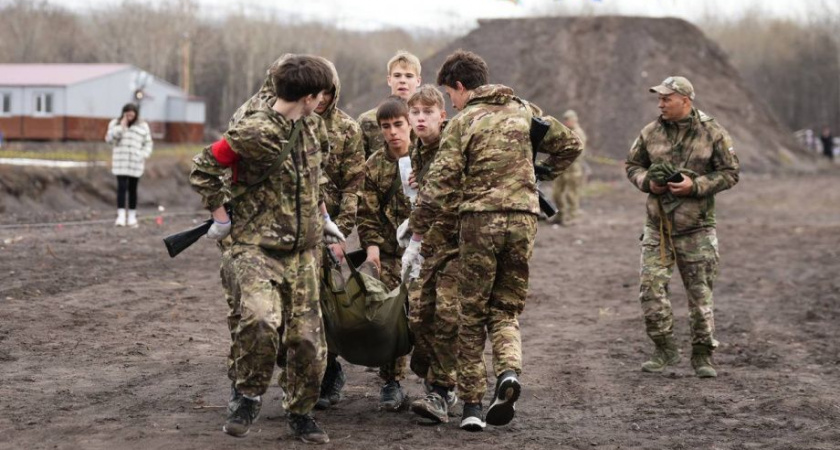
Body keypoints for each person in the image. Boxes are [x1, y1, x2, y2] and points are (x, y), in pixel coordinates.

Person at [408, 50, 582, 431]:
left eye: (450, 96)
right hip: (524, 220)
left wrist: (415, 227)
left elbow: (439, 182)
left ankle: (471, 406)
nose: (452, 103)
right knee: (505, 309)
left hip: (479, 222)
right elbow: (571, 145)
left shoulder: (464, 120)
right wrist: (535, 173)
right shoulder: (524, 109)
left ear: (459, 87)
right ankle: (508, 373)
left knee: (471, 315)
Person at [189, 55, 345, 444]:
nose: (324, 101)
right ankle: (247, 394)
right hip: (256, 247)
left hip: (304, 251)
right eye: (321, 95)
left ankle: (302, 413)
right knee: (259, 321)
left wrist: (323, 216)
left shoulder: (313, 128)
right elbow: (204, 165)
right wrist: (220, 216)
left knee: (309, 341)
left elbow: (315, 178)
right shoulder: (254, 130)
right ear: (308, 96)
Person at [625, 76, 740, 379]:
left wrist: (696, 185)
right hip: (657, 228)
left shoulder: (712, 132)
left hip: (697, 229)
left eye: (666, 98)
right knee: (650, 289)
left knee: (700, 296)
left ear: (685, 101)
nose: (660, 103)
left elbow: (730, 173)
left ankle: (703, 355)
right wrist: (648, 182)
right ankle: (664, 348)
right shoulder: (649, 132)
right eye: (659, 98)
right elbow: (632, 166)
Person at [397, 84, 461, 424]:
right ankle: (434, 379)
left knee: (448, 316)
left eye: (428, 113)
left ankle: (442, 390)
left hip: (457, 245)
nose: (421, 119)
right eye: (416, 113)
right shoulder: (419, 151)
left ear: (442, 115)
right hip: (428, 246)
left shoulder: (455, 142)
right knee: (419, 316)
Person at [312, 59, 365, 410]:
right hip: (293, 229)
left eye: (327, 93)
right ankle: (302, 374)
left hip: (328, 233)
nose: (320, 100)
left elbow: (353, 186)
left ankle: (330, 371)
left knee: (326, 306)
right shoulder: (288, 123)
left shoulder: (346, 128)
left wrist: (340, 234)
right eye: (315, 93)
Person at [356, 96, 413, 411]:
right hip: (391, 254)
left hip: (428, 254)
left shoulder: (430, 157)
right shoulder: (375, 164)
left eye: (398, 125)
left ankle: (439, 385)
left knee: (430, 319)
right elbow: (367, 213)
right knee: (391, 318)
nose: (393, 132)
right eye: (386, 127)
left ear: (409, 124)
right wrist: (372, 250)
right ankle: (392, 383)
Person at [357, 51, 422, 159]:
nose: (402, 80)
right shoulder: (368, 121)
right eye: (397, 75)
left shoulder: (425, 118)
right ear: (389, 80)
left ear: (418, 81)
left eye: (409, 76)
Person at [106, 103, 152, 227]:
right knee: (121, 188)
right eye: (128, 114)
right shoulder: (115, 124)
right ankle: (120, 216)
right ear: (124, 113)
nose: (130, 117)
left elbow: (148, 143)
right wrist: (122, 127)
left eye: (132, 115)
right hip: (120, 162)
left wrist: (142, 155)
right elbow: (109, 140)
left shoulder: (143, 126)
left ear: (136, 114)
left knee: (133, 189)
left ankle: (132, 217)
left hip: (135, 163)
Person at [550, 109, 588, 225]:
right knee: (557, 193)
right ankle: (560, 214)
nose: (566, 122)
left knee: (571, 194)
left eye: (568, 120)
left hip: (573, 168)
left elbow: (577, 151)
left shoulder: (578, 133)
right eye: (565, 120)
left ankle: (573, 216)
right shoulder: (566, 132)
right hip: (562, 167)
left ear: (574, 120)